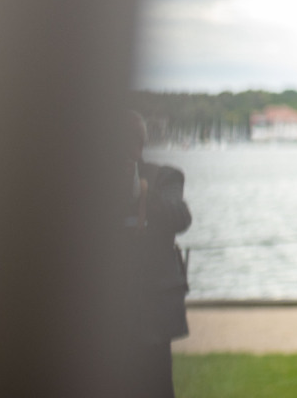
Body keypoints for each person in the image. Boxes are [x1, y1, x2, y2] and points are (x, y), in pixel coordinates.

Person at [119, 111, 192, 398]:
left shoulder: (165, 176)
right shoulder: (84, 183)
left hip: (150, 312)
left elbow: (181, 217)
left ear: (139, 145)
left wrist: (140, 191)